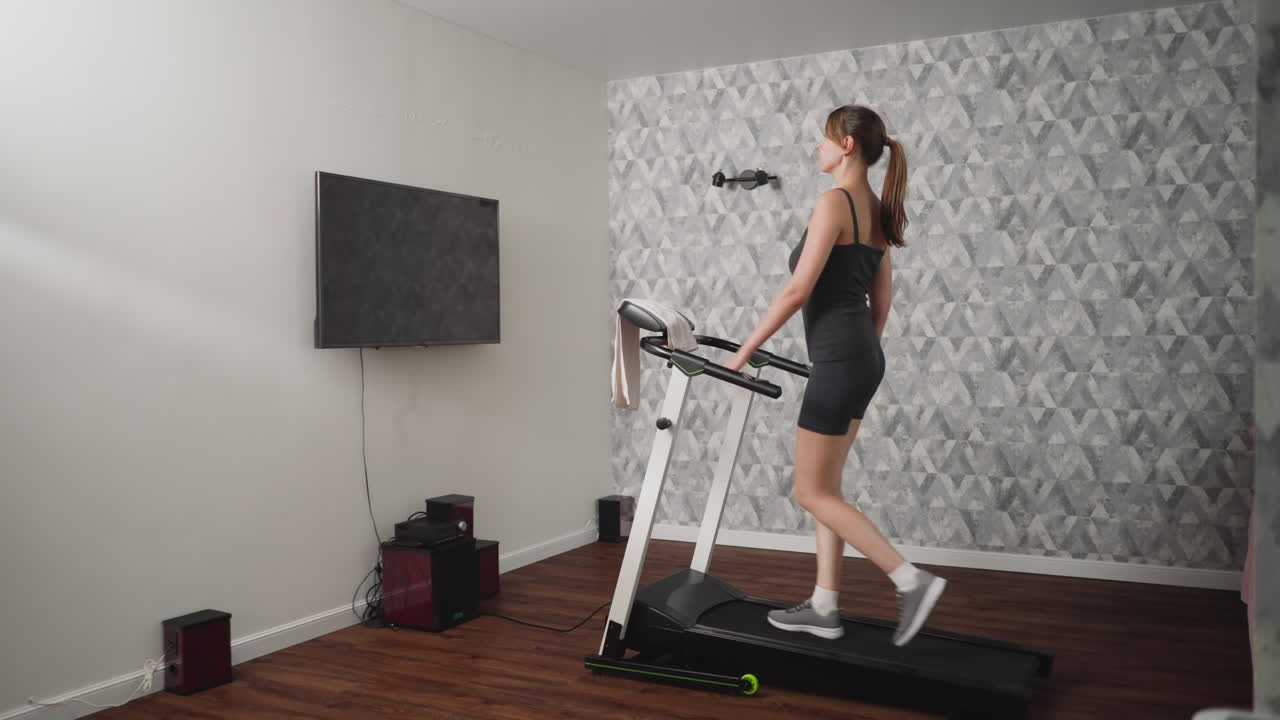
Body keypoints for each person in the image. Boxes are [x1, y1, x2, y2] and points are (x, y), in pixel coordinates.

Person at [723, 104, 946, 647]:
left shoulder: (834, 203)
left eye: (823, 140)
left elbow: (798, 289)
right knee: (828, 489)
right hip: (863, 359)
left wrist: (745, 349)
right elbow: (882, 304)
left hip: (842, 362)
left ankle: (910, 580)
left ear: (846, 145)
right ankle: (824, 606)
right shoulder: (878, 208)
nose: (817, 149)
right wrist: (855, 354)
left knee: (810, 491)